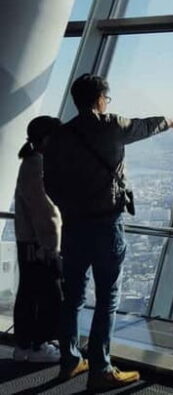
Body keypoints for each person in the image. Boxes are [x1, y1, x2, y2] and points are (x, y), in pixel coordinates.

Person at [43, 74, 173, 389]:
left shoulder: (61, 137)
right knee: (107, 298)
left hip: (75, 226)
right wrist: (170, 122)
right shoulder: (111, 126)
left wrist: (70, 208)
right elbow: (145, 126)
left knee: (73, 297)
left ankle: (70, 361)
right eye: (107, 98)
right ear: (100, 99)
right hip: (106, 225)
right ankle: (101, 368)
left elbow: (49, 183)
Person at [13, 115, 63, 363]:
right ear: (47, 139)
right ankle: (38, 345)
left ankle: (26, 344)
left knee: (30, 292)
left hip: (30, 242)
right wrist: (51, 247)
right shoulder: (38, 165)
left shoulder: (31, 162)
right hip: (39, 244)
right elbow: (46, 212)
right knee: (46, 294)